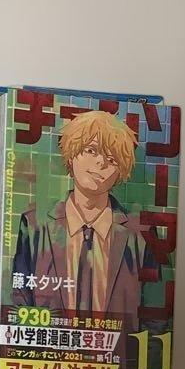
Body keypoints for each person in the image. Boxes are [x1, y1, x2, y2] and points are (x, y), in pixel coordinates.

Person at [11, 110, 146, 324]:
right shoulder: (35, 224)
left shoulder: (139, 235)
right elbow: (19, 300)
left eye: (112, 159)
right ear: (71, 152)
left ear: (121, 170)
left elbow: (156, 319)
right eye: (91, 150)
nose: (101, 163)